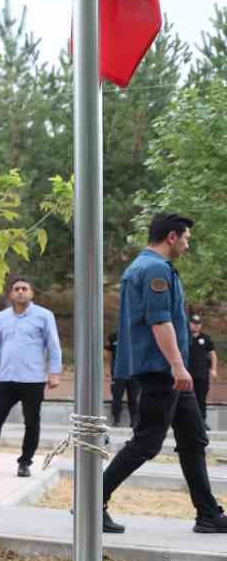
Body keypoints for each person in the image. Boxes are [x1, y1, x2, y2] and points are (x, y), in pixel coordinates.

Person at [102, 214, 227, 534]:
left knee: (193, 439)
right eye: (186, 238)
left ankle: (208, 514)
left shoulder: (143, 267)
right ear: (172, 237)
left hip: (168, 371)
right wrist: (177, 365)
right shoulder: (155, 269)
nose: (187, 244)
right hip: (162, 371)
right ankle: (92, 501)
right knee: (147, 442)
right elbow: (159, 322)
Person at [0, 276, 63, 479]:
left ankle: (25, 463)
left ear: (31, 293)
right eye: (17, 289)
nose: (20, 292)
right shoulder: (1, 318)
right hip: (6, 378)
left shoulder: (44, 316)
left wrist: (54, 373)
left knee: (31, 423)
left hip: (33, 380)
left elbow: (53, 346)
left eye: (24, 288)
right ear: (11, 294)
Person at [187, 311, 215, 429]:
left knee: (201, 398)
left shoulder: (205, 338)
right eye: (194, 323)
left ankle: (201, 421)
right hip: (187, 374)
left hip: (202, 374)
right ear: (189, 324)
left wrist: (213, 369)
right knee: (185, 398)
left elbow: (213, 354)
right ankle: (185, 422)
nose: (196, 325)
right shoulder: (185, 337)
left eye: (198, 323)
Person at [107, 329, 138, 428]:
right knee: (117, 397)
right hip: (118, 373)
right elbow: (108, 353)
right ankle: (117, 421)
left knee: (133, 399)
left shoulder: (138, 334)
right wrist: (109, 369)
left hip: (134, 373)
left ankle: (134, 422)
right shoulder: (114, 336)